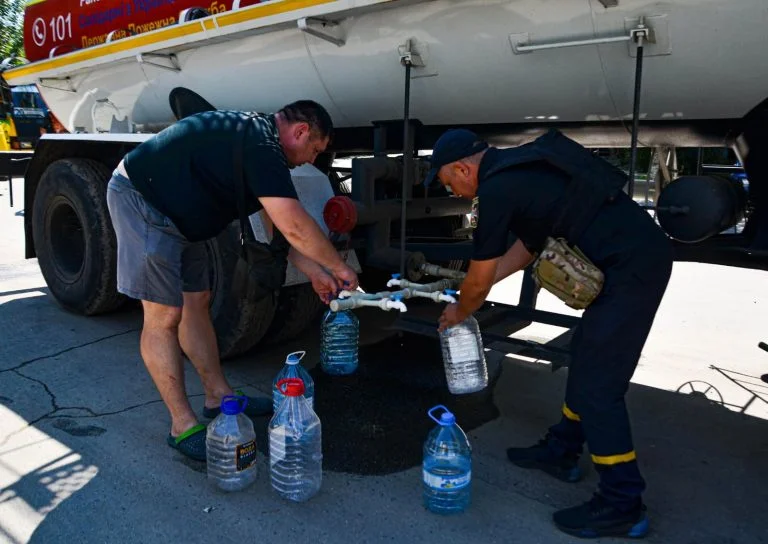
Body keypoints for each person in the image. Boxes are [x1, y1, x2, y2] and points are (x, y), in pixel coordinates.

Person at [428, 128, 673, 539]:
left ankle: (622, 503)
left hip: (633, 268)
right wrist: (468, 291)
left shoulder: (497, 189)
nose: (453, 191)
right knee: (586, 357)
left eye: (448, 182)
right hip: (627, 260)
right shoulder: (518, 168)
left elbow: (481, 273)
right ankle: (562, 451)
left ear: (463, 168)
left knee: (599, 388)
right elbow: (527, 246)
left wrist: (461, 308)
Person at [106, 100, 358, 462]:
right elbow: (294, 225)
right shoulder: (260, 144)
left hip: (183, 217)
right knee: (164, 315)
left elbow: (279, 231)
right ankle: (181, 425)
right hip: (144, 202)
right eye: (315, 150)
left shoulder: (262, 147)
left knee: (197, 299)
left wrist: (316, 272)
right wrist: (339, 268)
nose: (311, 160)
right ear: (300, 132)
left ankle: (217, 396)